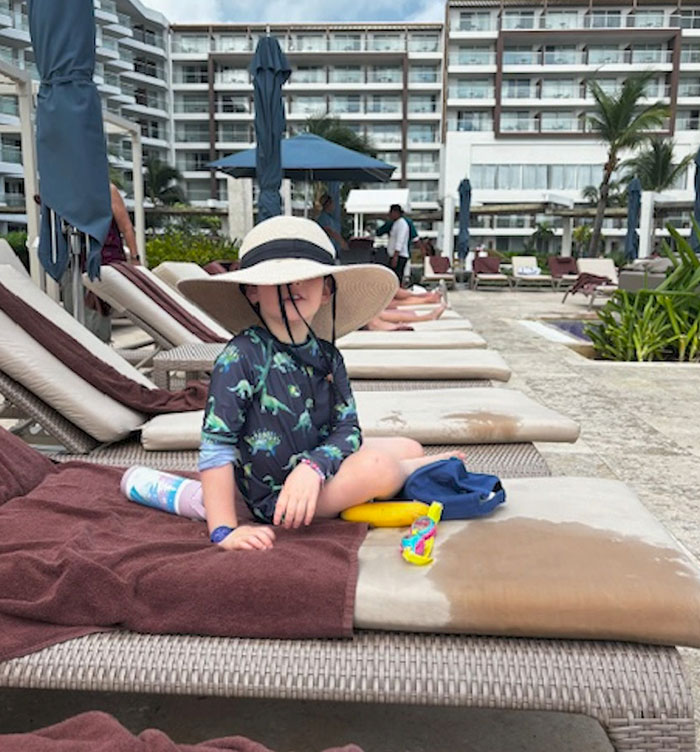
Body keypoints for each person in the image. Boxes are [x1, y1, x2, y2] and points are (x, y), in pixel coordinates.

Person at [195, 216, 461, 550]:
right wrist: (223, 531)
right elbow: (216, 445)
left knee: (409, 446)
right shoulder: (241, 357)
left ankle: (407, 465)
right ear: (252, 291)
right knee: (377, 467)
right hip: (279, 499)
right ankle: (411, 471)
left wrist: (314, 466)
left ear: (326, 290)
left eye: (307, 277)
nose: (294, 286)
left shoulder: (328, 356)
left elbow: (348, 428)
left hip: (317, 465)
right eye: (278, 278)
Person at [385, 204, 411, 283]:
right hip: (394, 255)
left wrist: (395, 256)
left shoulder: (402, 224)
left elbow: (400, 240)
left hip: (399, 255)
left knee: (396, 277)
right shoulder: (396, 223)